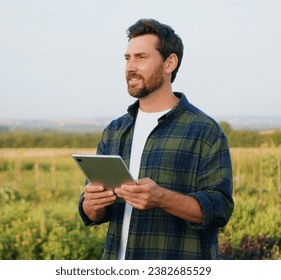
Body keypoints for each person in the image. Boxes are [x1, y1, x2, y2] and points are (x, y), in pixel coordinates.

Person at [77, 18, 234, 260]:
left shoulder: (205, 131)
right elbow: (95, 213)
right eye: (127, 58)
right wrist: (92, 204)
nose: (130, 67)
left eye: (141, 57)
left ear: (170, 62)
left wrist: (162, 198)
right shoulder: (114, 131)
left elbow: (220, 208)